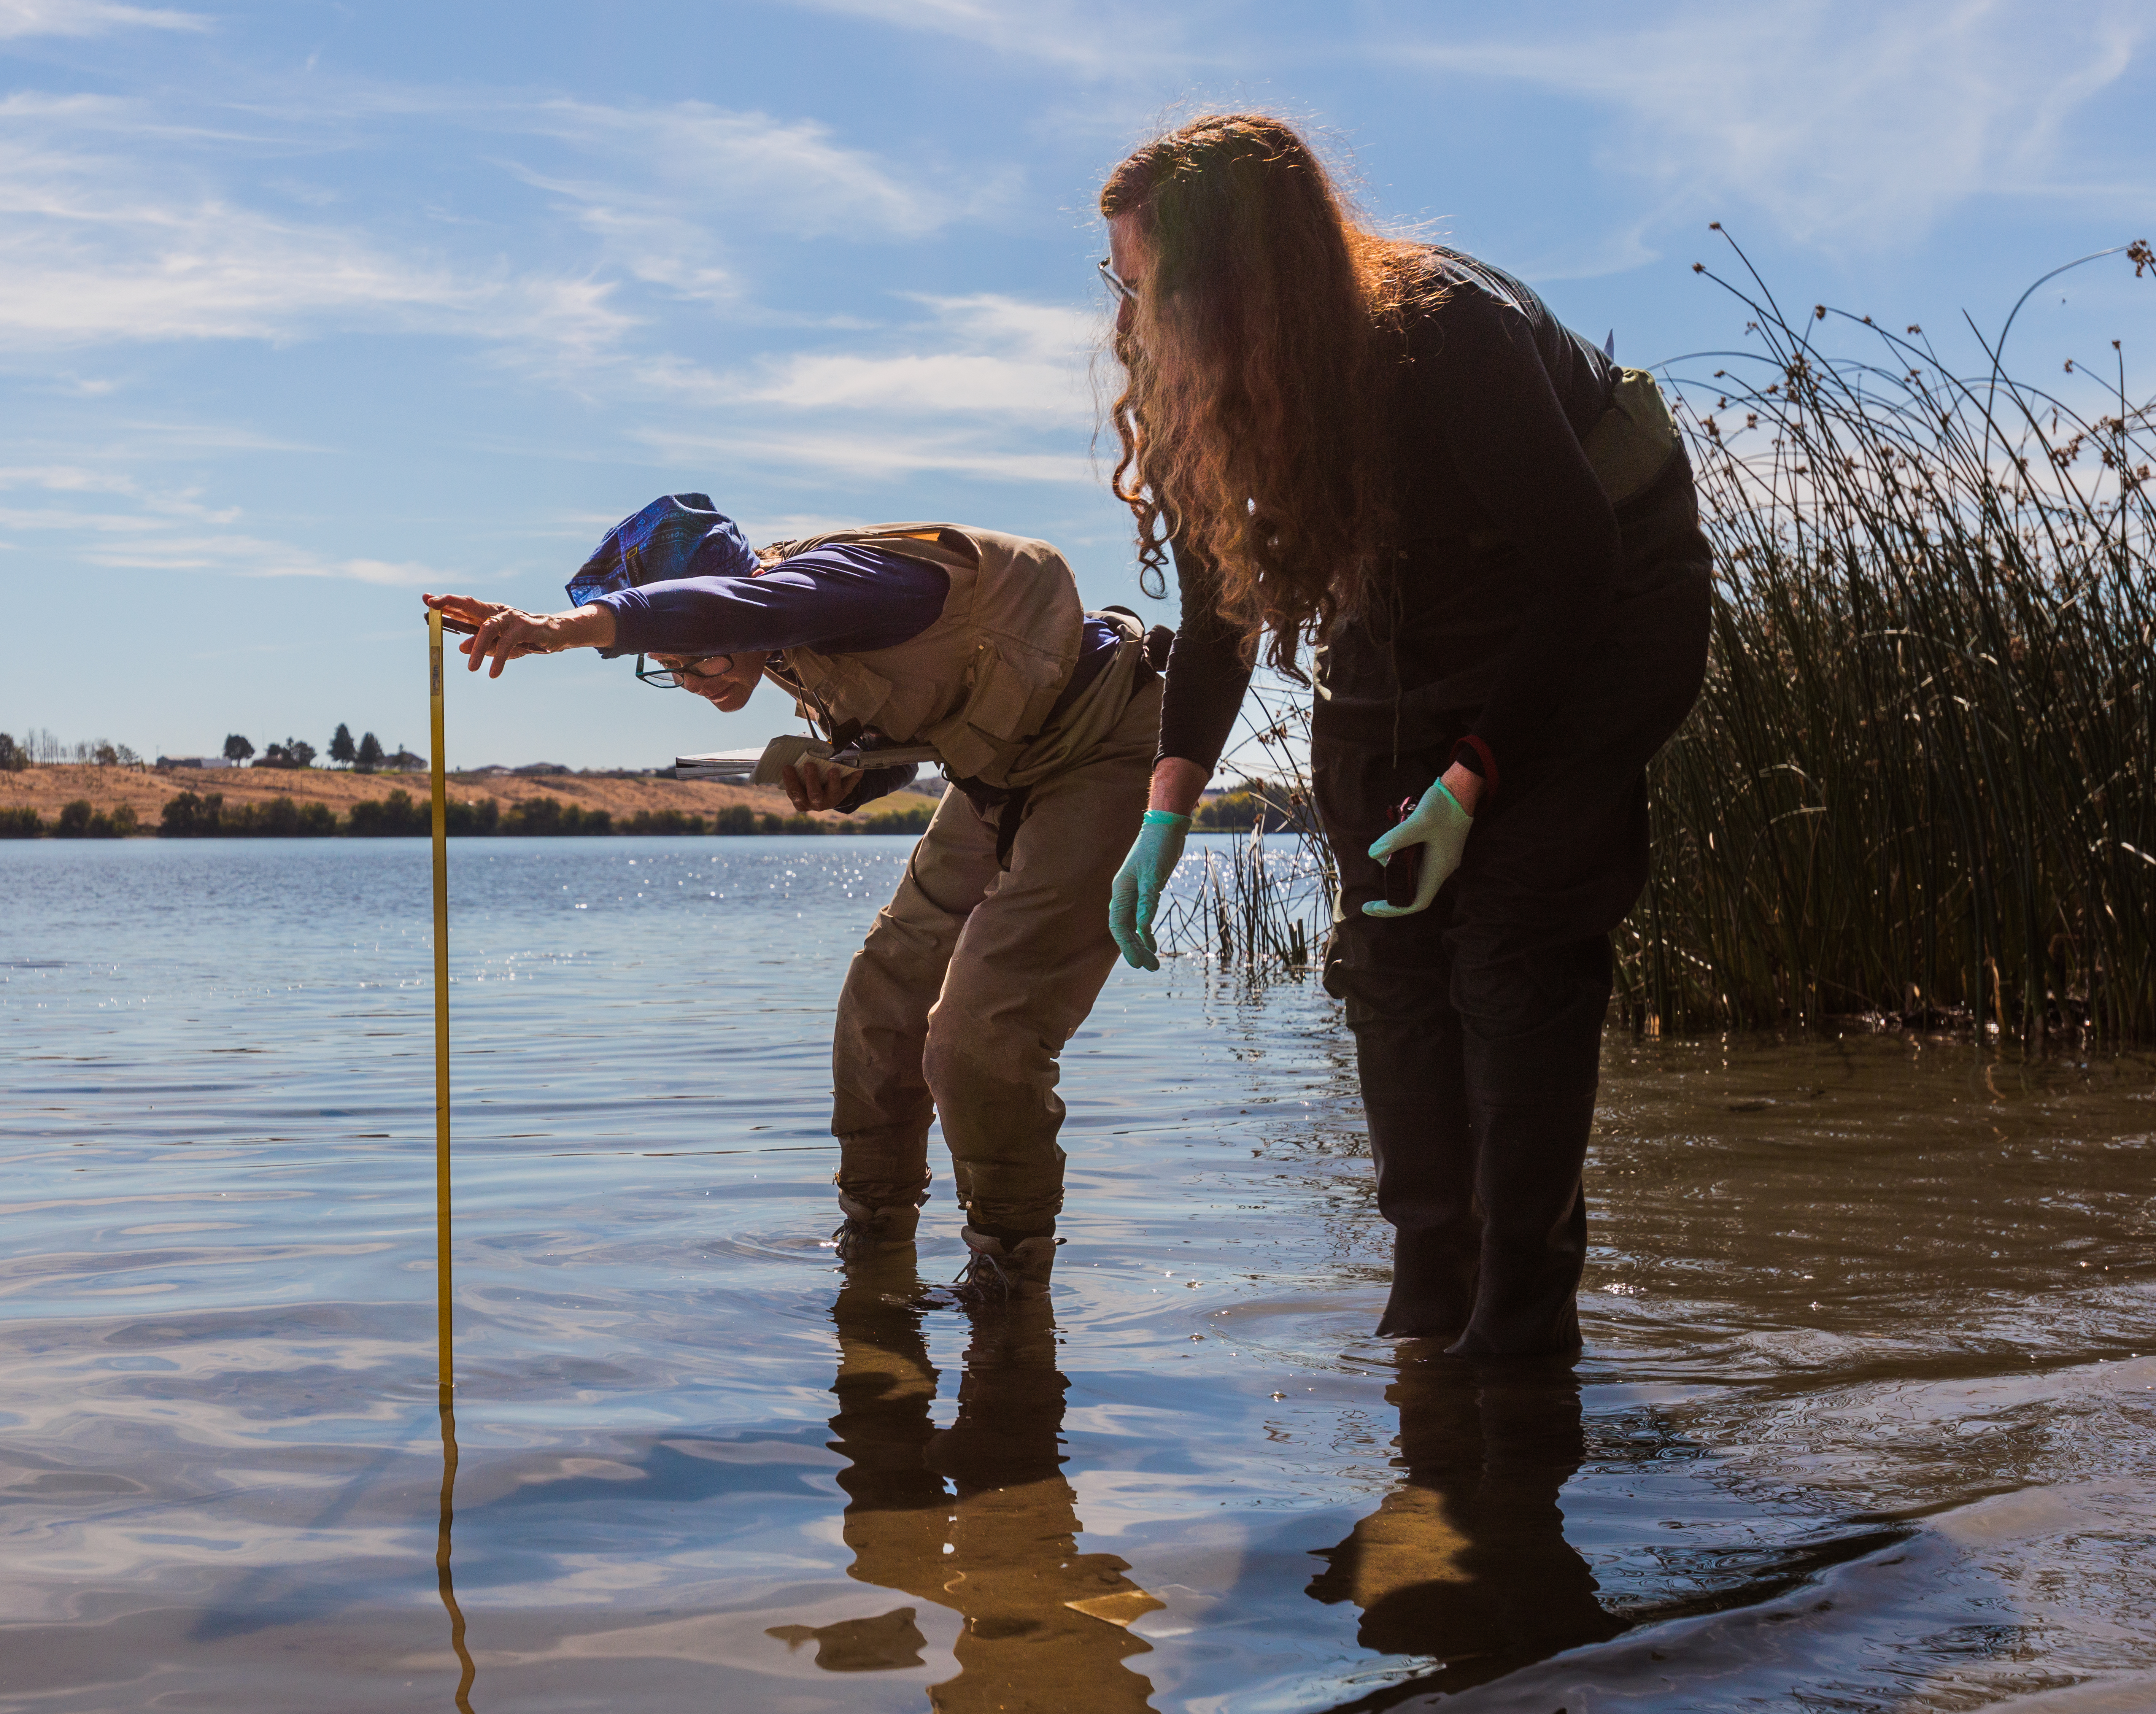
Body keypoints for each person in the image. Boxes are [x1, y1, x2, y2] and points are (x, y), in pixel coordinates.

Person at [1098, 114, 1711, 1356]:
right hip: (1410, 612)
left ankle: (1518, 1320)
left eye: (1144, 279)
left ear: (1230, 276)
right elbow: (1219, 609)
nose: (1128, 311)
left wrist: (1474, 773)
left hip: (1597, 591)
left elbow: (1576, 567)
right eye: (1113, 280)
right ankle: (1428, 1281)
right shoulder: (1219, 377)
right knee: (1387, 950)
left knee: (1507, 948)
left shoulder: (1441, 337)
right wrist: (1164, 808)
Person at [429, 494, 1160, 1297]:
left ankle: (1008, 1272)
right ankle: (875, 1241)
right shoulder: (783, 642)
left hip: (1107, 742)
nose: (693, 677)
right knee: (878, 1002)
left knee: (980, 1036)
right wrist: (848, 780)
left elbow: (740, 606)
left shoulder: (839, 579)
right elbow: (908, 736)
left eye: (698, 653)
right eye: (673, 669)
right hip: (998, 776)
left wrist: (562, 630)